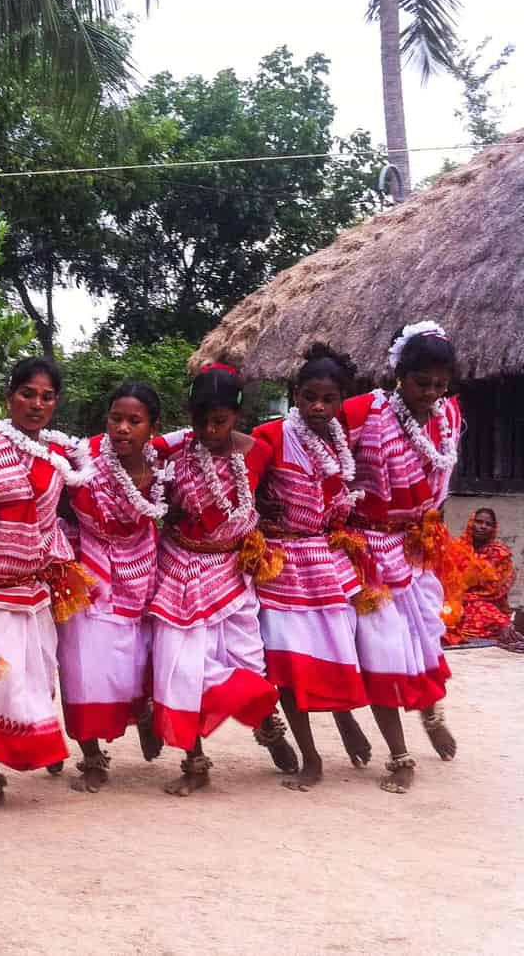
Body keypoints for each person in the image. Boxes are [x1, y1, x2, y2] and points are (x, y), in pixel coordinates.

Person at [0, 357, 96, 817]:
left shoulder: (60, 458)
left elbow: (53, 522)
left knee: (25, 688)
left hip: (31, 595)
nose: (36, 403)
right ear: (9, 397)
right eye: (27, 393)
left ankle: (0, 767)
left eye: (47, 396)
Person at [148, 363, 295, 797]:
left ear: (238, 415)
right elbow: (126, 455)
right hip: (179, 570)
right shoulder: (169, 449)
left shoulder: (258, 452)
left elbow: (272, 499)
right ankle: (194, 762)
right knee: (180, 667)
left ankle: (268, 728)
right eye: (200, 419)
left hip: (233, 573)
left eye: (221, 420)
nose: (210, 429)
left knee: (249, 666)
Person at [339, 320, 462, 794]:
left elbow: (440, 484)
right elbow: (310, 434)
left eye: (439, 385)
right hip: (367, 550)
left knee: (426, 641)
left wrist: (433, 537)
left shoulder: (448, 416)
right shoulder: (362, 413)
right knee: (383, 652)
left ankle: (432, 713)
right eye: (421, 383)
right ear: (399, 375)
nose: (430, 393)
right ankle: (399, 756)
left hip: (416, 549)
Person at [253, 345, 369, 791]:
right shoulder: (270, 437)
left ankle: (347, 726)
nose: (319, 407)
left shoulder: (341, 444)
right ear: (295, 396)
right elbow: (245, 484)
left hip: (324, 563)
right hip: (280, 565)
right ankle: (311, 757)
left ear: (341, 401)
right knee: (286, 666)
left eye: (329, 399)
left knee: (334, 655)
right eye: (309, 397)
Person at [58, 382, 167, 793]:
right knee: (83, 669)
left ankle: (142, 716)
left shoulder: (164, 466)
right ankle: (91, 756)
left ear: (152, 428)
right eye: (115, 419)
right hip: (88, 575)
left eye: (133, 422)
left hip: (142, 574)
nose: (122, 428)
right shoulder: (83, 460)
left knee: (135, 664)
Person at [442, 509, 522, 649]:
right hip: (453, 601)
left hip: (485, 603)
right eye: (479, 521)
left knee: (495, 618)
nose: (483, 526)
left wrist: (469, 595)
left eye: (488, 524)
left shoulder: (499, 553)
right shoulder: (456, 548)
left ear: (493, 528)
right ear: (471, 523)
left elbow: (497, 590)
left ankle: (506, 634)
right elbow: (446, 579)